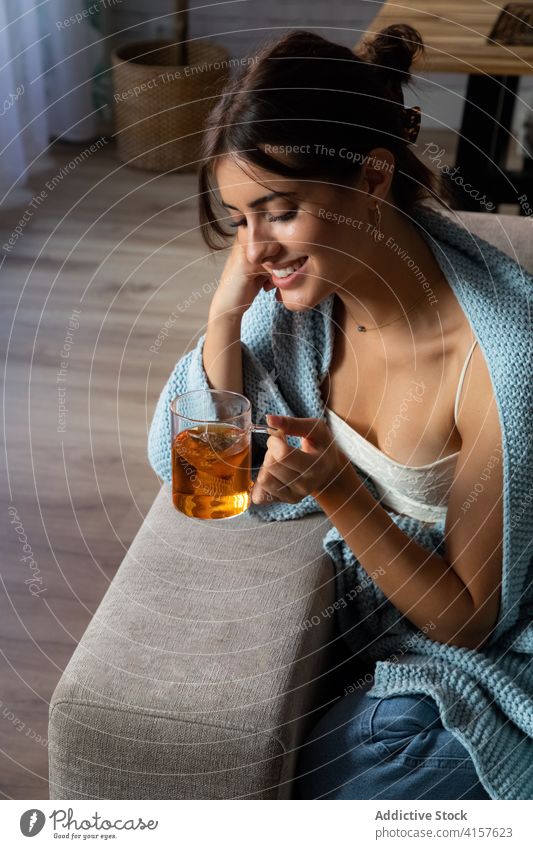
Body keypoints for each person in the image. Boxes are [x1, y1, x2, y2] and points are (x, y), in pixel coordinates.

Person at [147, 25, 533, 800]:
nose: (256, 249)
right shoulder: (297, 310)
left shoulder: (499, 363)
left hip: (487, 654)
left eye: (279, 210)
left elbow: (466, 623)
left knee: (371, 754)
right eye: (238, 222)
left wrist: (340, 490)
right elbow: (192, 468)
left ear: (373, 176)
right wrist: (222, 319)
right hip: (385, 651)